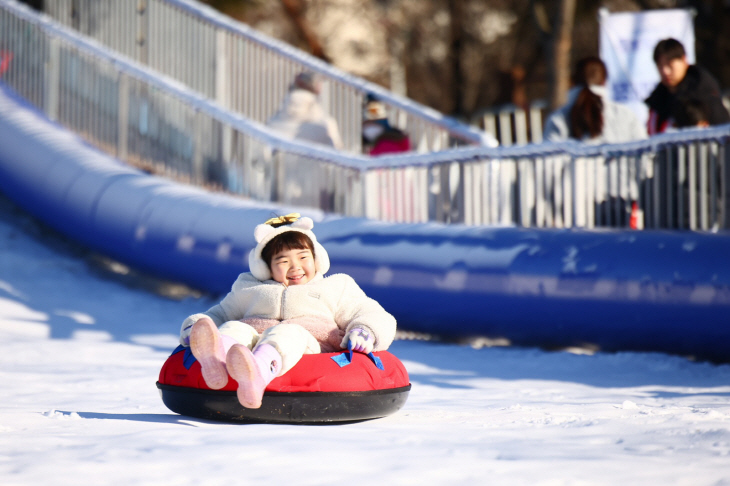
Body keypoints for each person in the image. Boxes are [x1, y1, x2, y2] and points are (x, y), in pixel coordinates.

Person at [178, 213, 397, 409]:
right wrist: (196, 327)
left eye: (303, 258)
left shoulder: (336, 286)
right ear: (266, 268)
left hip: (309, 343)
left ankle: (258, 374)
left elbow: (371, 312)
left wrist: (365, 330)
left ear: (316, 259)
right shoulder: (249, 287)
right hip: (253, 343)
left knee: (288, 333)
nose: (295, 267)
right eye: (283, 261)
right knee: (234, 327)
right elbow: (221, 313)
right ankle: (216, 361)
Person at [543, 56, 647, 144]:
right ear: (605, 82)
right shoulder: (626, 115)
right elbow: (644, 154)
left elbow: (550, 162)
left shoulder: (558, 119)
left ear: (573, 82)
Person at [645, 38, 730, 135]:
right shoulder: (657, 100)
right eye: (660, 66)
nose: (665, 71)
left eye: (670, 64)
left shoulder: (703, 92)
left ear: (684, 60)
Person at [266, 71, 343, 150]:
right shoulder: (325, 125)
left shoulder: (272, 122)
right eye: (319, 83)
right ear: (315, 87)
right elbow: (338, 154)